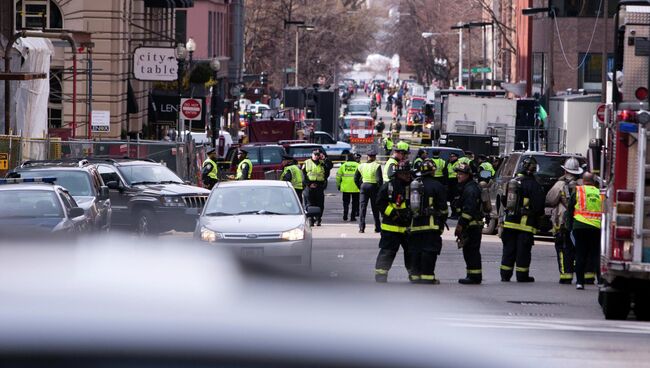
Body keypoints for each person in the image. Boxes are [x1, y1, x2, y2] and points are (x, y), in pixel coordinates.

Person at [499, 157, 545, 283]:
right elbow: (539, 206)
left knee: (508, 251)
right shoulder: (534, 185)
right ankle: (522, 276)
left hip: (509, 224)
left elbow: (504, 201)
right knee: (523, 253)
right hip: (525, 226)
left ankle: (505, 275)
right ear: (534, 169)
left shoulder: (512, 182)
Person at [408, 159, 448, 284]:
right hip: (431, 225)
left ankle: (415, 277)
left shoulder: (414, 184)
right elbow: (443, 208)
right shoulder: (438, 185)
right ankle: (428, 277)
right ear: (433, 171)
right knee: (429, 251)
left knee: (415, 250)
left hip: (415, 225)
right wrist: (442, 222)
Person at [374, 160, 413, 283]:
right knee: (387, 252)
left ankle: (414, 275)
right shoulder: (388, 186)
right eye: (405, 173)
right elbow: (380, 203)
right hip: (391, 227)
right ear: (398, 174)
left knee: (412, 253)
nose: (408, 176)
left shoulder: (414, 186)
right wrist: (394, 215)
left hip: (408, 228)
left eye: (409, 173)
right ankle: (381, 275)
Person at [546, 157, 582, 284]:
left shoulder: (560, 184)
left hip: (563, 222)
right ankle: (583, 275)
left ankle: (566, 275)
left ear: (565, 171)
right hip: (580, 222)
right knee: (578, 249)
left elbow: (550, 200)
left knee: (563, 248)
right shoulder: (583, 185)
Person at [566, 172, 603, 290]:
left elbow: (570, 210)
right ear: (594, 181)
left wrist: (569, 226)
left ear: (583, 180)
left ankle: (580, 282)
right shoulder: (600, 192)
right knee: (596, 255)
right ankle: (600, 280)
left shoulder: (578, 191)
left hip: (580, 226)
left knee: (580, 254)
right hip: (596, 227)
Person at [453, 163, 484, 284]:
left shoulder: (470, 189)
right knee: (469, 251)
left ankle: (474, 277)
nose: (458, 176)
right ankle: (471, 275)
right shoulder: (467, 187)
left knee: (472, 251)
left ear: (468, 175)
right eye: (458, 173)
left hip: (472, 226)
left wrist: (460, 225)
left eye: (461, 174)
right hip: (471, 225)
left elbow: (468, 211)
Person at [355, 150, 383, 233]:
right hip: (373, 187)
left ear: (367, 156)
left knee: (362, 208)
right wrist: (379, 191)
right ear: (374, 157)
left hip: (364, 186)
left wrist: (360, 187)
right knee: (375, 208)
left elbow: (355, 178)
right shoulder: (377, 166)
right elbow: (379, 180)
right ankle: (377, 227)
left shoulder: (361, 166)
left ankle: (361, 228)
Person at [302, 149, 327, 226]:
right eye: (315, 154)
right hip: (309, 186)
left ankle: (318, 218)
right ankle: (311, 219)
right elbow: (303, 175)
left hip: (319, 186)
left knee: (320, 204)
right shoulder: (307, 162)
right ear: (312, 155)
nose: (316, 156)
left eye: (318, 155)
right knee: (309, 203)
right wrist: (309, 184)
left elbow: (328, 169)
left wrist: (325, 159)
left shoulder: (322, 163)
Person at [336, 153, 360, 222]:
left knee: (346, 203)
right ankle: (352, 217)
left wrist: (338, 185)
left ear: (347, 158)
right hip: (356, 188)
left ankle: (345, 216)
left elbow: (338, 176)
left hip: (345, 188)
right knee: (355, 203)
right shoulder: (358, 165)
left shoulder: (343, 166)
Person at [446, 153, 461, 219]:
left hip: (456, 182)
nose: (451, 157)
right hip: (450, 182)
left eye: (452, 156)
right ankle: (453, 213)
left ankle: (457, 214)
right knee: (451, 199)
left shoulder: (459, 163)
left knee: (456, 199)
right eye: (450, 156)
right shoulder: (449, 164)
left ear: (456, 157)